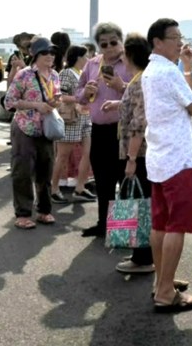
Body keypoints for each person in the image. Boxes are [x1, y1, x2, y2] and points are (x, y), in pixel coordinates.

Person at [142, 18, 192, 312]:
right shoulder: (170, 71)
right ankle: (166, 292)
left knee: (160, 224)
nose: (180, 42)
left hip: (158, 155)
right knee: (176, 226)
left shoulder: (150, 71)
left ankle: (161, 280)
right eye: (175, 38)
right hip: (180, 157)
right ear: (157, 42)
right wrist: (188, 68)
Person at [101, 34, 156, 273]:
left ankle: (143, 257)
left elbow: (139, 123)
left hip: (140, 154)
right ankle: (141, 254)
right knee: (140, 201)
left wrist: (131, 159)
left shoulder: (140, 80)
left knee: (139, 203)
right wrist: (118, 104)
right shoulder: (140, 79)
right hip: (140, 152)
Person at [76, 23, 132, 237]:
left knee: (124, 179)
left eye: (113, 43)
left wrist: (121, 86)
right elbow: (78, 92)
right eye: (103, 44)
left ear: (121, 40)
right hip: (98, 129)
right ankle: (104, 224)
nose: (109, 48)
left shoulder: (131, 62)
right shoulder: (92, 64)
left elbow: (143, 93)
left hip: (123, 131)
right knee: (102, 179)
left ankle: (123, 230)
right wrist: (86, 91)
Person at [4, 37, 61, 229]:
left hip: (45, 128)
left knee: (46, 170)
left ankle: (44, 211)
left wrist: (54, 103)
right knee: (22, 171)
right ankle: (23, 214)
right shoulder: (24, 75)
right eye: (45, 52)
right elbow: (9, 101)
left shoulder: (54, 75)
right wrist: (36, 105)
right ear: (35, 55)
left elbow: (52, 99)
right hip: (24, 127)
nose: (50, 56)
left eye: (52, 52)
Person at [52, 45, 96, 203]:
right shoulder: (66, 73)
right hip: (71, 119)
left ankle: (80, 187)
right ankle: (54, 188)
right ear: (78, 57)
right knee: (62, 156)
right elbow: (60, 96)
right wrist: (80, 97)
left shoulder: (83, 74)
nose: (88, 59)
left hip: (85, 117)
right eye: (86, 56)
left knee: (88, 153)